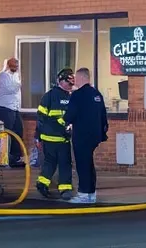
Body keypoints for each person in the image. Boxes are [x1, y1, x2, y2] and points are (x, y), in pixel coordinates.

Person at [63, 67, 108, 204]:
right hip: (94, 135)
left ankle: (84, 193)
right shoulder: (97, 95)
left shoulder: (78, 95)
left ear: (82, 78)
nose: (74, 80)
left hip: (81, 135)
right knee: (89, 163)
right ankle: (91, 193)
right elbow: (103, 116)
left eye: (76, 77)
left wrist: (64, 123)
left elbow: (70, 115)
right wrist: (102, 133)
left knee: (82, 164)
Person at [36, 67, 75, 199]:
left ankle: (45, 184)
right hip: (55, 138)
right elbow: (41, 118)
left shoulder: (68, 97)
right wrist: (38, 137)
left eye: (72, 84)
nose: (70, 86)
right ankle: (62, 189)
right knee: (60, 163)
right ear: (60, 81)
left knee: (55, 163)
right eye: (68, 83)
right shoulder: (51, 96)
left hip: (57, 138)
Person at [0, 57, 25, 168]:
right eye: (14, 66)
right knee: (8, 133)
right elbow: (11, 89)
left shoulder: (15, 76)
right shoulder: (3, 76)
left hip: (14, 108)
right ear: (8, 65)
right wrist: (20, 82)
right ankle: (6, 158)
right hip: (5, 108)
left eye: (17, 66)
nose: (16, 68)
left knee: (18, 131)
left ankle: (15, 158)